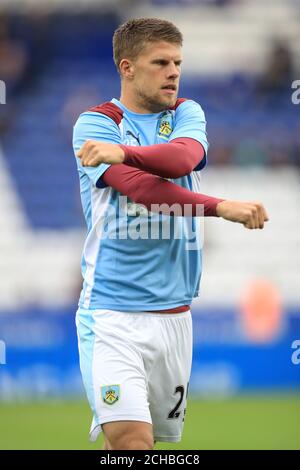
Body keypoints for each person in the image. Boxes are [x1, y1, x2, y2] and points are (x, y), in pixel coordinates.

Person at [73, 17, 269, 451]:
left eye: (178, 62)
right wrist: (220, 207)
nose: (174, 72)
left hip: (176, 316)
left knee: (146, 449)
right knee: (130, 443)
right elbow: (143, 190)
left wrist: (124, 151)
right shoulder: (95, 125)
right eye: (160, 62)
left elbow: (182, 160)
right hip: (112, 313)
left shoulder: (186, 113)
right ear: (127, 67)